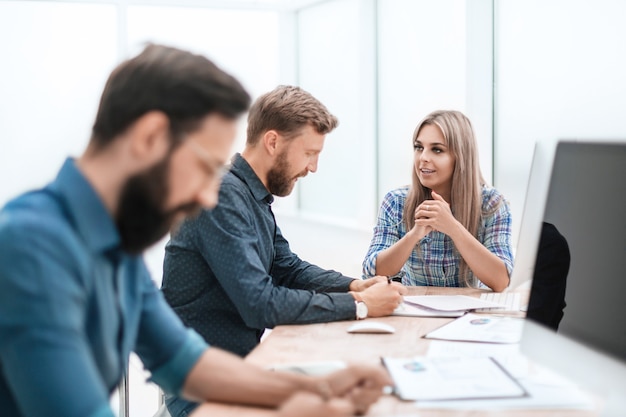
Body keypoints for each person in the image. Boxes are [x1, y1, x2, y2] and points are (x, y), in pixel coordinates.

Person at [0, 44, 391, 417]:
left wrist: (314, 389)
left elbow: (183, 362)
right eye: (206, 167)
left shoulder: (116, 241)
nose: (209, 195)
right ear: (150, 137)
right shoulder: (30, 246)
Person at [161, 85, 406, 416]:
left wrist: (353, 286)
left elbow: (287, 268)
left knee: (360, 393)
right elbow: (259, 304)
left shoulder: (253, 195)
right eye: (308, 153)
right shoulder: (221, 195)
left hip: (242, 369)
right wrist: (360, 306)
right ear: (273, 142)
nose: (313, 167)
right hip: (202, 387)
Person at [362, 110, 513, 291]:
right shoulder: (396, 202)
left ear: (461, 157)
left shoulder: (492, 204)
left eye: (437, 149)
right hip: (414, 314)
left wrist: (453, 228)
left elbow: (501, 281)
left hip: (470, 314)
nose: (423, 157)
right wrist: (414, 235)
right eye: (419, 147)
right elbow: (371, 273)